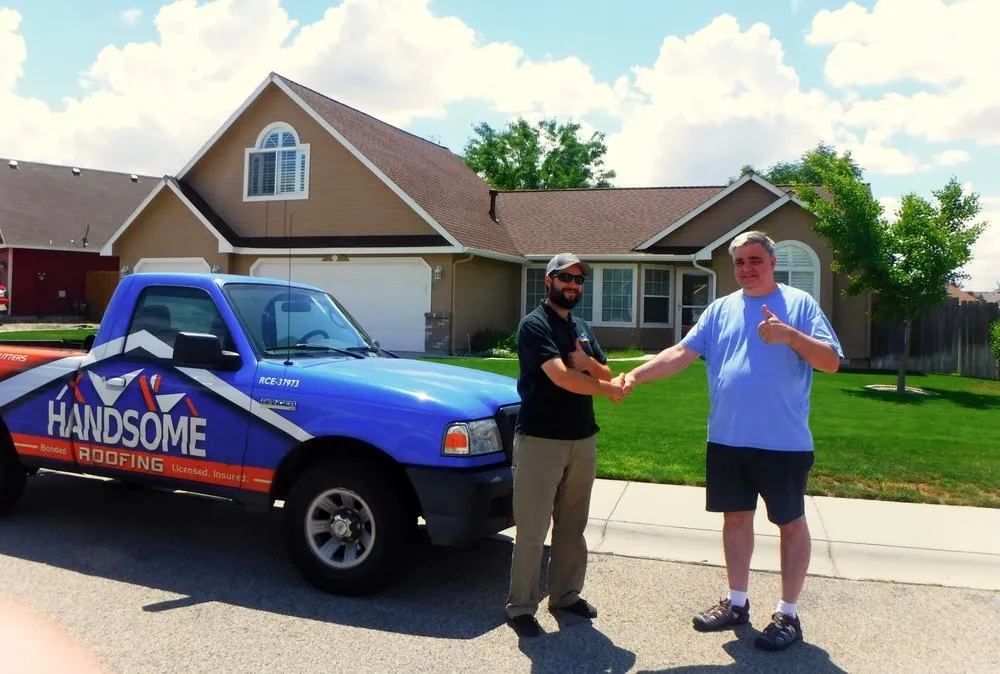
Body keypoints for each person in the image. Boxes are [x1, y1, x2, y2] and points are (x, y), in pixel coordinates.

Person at [616, 231, 842, 651]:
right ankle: (737, 604)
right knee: (735, 520)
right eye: (739, 262)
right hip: (727, 439)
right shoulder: (719, 310)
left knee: (790, 525)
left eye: (755, 260)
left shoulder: (799, 305)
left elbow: (830, 362)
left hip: (783, 443)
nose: (746, 268)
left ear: (772, 262)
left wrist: (791, 336)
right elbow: (681, 353)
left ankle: (788, 614)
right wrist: (635, 375)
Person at [505, 252, 627, 638]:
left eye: (578, 280)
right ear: (549, 280)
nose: (573, 285)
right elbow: (561, 378)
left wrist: (587, 361)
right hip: (541, 440)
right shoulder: (534, 325)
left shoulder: (583, 327)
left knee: (573, 526)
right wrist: (608, 388)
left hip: (582, 439)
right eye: (566, 278)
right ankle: (522, 607)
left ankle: (566, 595)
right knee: (532, 528)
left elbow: (600, 368)